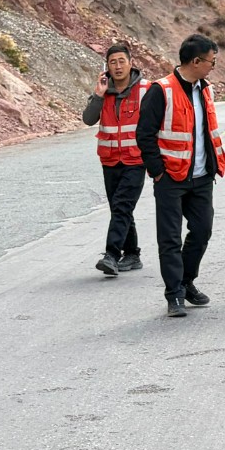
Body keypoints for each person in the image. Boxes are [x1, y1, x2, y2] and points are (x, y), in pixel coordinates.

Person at [137, 33, 225, 318]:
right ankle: (174, 294)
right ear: (196, 61)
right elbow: (145, 134)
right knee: (170, 239)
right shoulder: (160, 90)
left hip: (201, 177)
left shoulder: (206, 89)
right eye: (211, 61)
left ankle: (187, 282)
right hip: (171, 179)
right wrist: (158, 172)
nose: (214, 66)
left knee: (202, 231)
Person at [83, 40, 148, 277]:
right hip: (110, 160)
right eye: (113, 63)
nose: (118, 66)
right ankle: (132, 254)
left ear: (131, 64)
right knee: (119, 208)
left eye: (122, 61)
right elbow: (88, 119)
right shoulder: (104, 93)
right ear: (106, 68)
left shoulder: (146, 90)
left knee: (121, 206)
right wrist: (98, 96)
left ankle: (111, 254)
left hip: (136, 160)